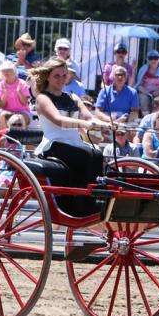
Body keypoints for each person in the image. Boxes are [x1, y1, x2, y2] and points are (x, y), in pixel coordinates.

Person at [32, 57, 105, 217]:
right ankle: (78, 204)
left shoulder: (73, 97)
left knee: (97, 155)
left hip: (74, 143)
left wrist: (107, 124)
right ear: (48, 76)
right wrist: (83, 124)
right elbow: (58, 120)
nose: (61, 79)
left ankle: (92, 200)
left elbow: (89, 117)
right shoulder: (43, 98)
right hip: (54, 144)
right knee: (84, 157)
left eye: (64, 75)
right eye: (56, 75)